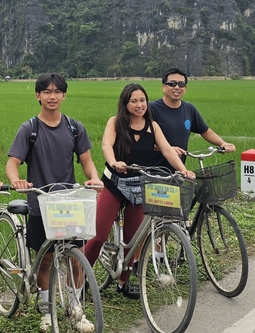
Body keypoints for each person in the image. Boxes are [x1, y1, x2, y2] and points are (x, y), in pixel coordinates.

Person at [5, 73, 101, 331]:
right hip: (42, 204)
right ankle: (46, 310)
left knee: (76, 257)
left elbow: (87, 161)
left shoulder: (74, 127)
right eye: (46, 92)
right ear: (38, 95)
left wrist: (93, 178)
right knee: (46, 258)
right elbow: (12, 163)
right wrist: (17, 181)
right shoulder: (30, 129)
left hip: (69, 204)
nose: (52, 96)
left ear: (64, 95)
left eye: (57, 91)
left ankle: (75, 309)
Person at [83, 83, 194, 298]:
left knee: (134, 239)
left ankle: (123, 282)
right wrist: (114, 162)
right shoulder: (115, 123)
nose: (139, 105)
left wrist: (183, 170)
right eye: (133, 101)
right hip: (115, 183)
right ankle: (80, 277)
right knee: (97, 236)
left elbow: (167, 149)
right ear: (125, 103)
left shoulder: (152, 126)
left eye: (142, 100)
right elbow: (107, 145)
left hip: (139, 186)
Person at [148, 67, 236, 170]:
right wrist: (168, 149)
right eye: (172, 84)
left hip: (179, 171)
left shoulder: (189, 109)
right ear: (163, 87)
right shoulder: (151, 109)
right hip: (153, 171)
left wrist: (222, 143)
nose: (177, 87)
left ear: (185, 88)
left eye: (181, 84)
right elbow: (142, 141)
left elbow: (205, 131)